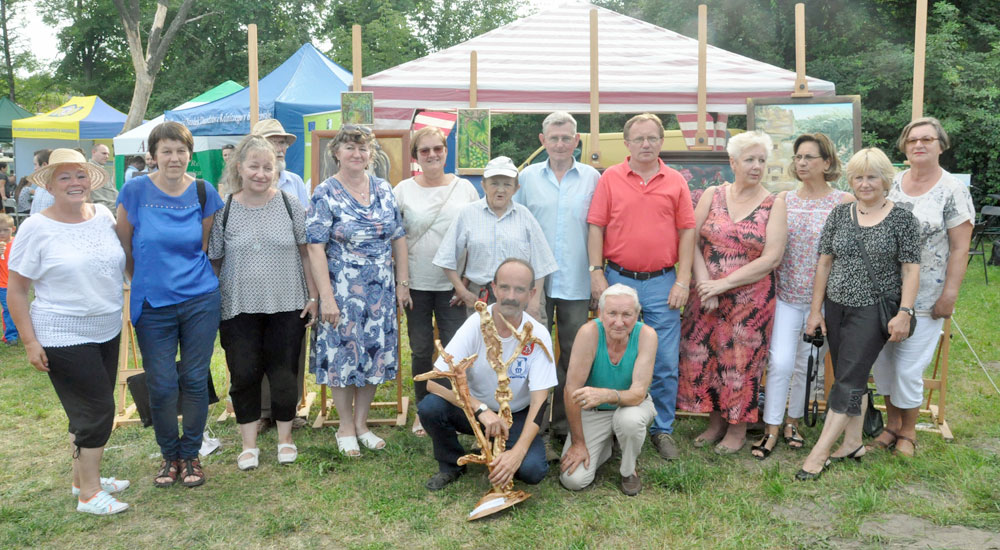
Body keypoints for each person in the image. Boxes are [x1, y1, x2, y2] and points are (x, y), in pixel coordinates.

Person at [6, 149, 130, 514]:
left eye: (80, 176)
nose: (75, 183)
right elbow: (16, 289)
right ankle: (90, 495)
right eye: (65, 177)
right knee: (98, 410)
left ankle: (82, 480)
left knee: (86, 411)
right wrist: (29, 341)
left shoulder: (104, 215)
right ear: (51, 184)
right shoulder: (36, 227)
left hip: (107, 329)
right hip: (62, 333)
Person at [796, 148, 921, 480]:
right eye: (858, 177)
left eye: (872, 176)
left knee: (848, 381)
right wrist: (815, 311)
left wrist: (905, 312)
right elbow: (824, 262)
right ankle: (853, 442)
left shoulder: (903, 218)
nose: (865, 184)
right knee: (848, 376)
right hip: (836, 307)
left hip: (873, 310)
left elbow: (911, 270)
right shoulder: (839, 214)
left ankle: (817, 454)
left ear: (885, 180)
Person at [116, 121, 224, 488]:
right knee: (161, 383)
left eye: (181, 150)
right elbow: (125, 247)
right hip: (153, 304)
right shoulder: (134, 191)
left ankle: (190, 455)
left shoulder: (203, 191)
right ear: (153, 155)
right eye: (167, 151)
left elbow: (204, 247)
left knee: (194, 378)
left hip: (200, 300)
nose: (174, 158)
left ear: (189, 154)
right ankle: (169, 456)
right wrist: (145, 278)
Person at [863, 118, 975, 458]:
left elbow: (959, 247)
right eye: (912, 140)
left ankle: (909, 432)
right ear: (904, 146)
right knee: (883, 364)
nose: (919, 145)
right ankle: (891, 426)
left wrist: (950, 294)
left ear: (941, 145)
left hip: (927, 296)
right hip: (883, 294)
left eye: (927, 139)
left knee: (908, 368)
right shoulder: (892, 184)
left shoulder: (952, 189)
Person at [587, 113, 695, 460]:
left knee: (663, 360)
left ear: (662, 142)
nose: (646, 144)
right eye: (639, 139)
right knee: (614, 356)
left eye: (652, 138)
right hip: (618, 280)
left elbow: (687, 231)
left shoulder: (676, 181)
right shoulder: (610, 179)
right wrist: (596, 273)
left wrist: (683, 279)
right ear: (627, 144)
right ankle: (614, 426)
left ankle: (662, 429)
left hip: (662, 281)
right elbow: (596, 227)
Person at [208, 135, 318, 470]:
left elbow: (306, 254)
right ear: (239, 168)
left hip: (288, 303)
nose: (261, 173)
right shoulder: (224, 210)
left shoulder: (289, 205)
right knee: (243, 374)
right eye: (254, 166)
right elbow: (214, 259)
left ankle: (285, 439)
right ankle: (248, 445)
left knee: (284, 372)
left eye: (268, 166)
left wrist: (313, 296)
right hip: (237, 307)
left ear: (276, 169)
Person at [677, 131, 787, 454]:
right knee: (707, 358)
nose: (756, 166)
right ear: (732, 162)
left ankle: (737, 430)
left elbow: (772, 258)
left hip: (749, 301)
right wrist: (703, 285)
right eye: (749, 159)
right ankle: (715, 423)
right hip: (706, 296)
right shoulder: (713, 194)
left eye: (762, 160)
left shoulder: (774, 203)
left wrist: (723, 284)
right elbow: (692, 240)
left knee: (741, 364)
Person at [305, 124, 408, 457]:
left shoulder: (384, 188)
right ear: (336, 152)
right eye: (349, 147)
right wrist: (326, 298)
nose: (356, 153)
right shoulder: (324, 192)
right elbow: (315, 247)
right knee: (342, 357)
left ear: (371, 154)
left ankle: (363, 424)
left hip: (380, 290)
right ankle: (345, 426)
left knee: (375, 356)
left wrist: (402, 284)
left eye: (363, 148)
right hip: (342, 291)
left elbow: (399, 236)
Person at [754, 133, 853, 459]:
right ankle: (770, 427)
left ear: (827, 162)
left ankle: (792, 422)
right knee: (780, 361)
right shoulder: (783, 199)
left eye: (810, 157)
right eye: (798, 157)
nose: (802, 163)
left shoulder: (842, 203)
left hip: (824, 301)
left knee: (805, 365)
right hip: (785, 294)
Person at [417, 259, 556, 490]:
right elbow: (434, 381)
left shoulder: (537, 334)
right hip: (473, 411)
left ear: (531, 293)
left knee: (532, 471)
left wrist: (518, 453)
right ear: (494, 287)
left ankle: (504, 452)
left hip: (515, 415)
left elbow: (540, 403)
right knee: (430, 407)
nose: (511, 295)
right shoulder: (476, 324)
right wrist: (480, 409)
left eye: (519, 289)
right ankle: (451, 464)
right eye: (504, 287)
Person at [514, 111, 600, 444]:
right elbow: (516, 226)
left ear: (577, 140)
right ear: (543, 141)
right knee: (533, 352)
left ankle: (564, 425)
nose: (561, 144)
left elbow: (599, 229)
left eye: (567, 138)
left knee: (573, 355)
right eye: (554, 138)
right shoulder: (528, 178)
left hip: (577, 281)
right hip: (534, 285)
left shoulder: (593, 178)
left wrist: (596, 275)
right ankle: (532, 424)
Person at [393, 126, 479, 436]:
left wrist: (466, 283)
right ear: (415, 156)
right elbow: (395, 238)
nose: (431, 155)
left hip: (453, 288)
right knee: (420, 350)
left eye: (437, 149)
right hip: (415, 283)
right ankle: (423, 410)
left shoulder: (465, 189)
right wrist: (401, 283)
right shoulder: (402, 190)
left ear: (445, 151)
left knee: (454, 352)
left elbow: (475, 237)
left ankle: (453, 409)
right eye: (424, 150)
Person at [433, 156, 557, 325]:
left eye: (507, 184)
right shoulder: (467, 214)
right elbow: (445, 258)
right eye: (494, 183)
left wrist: (534, 303)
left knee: (524, 347)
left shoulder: (525, 216)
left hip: (521, 296)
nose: (501, 190)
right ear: (483, 185)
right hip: (482, 295)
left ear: (516, 188)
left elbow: (542, 263)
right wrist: (462, 291)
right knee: (485, 347)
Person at [559, 284, 656, 495]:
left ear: (637, 315)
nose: (619, 322)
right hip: (594, 411)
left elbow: (639, 392)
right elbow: (571, 390)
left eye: (627, 314)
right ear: (600, 313)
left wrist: (606, 395)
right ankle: (607, 444)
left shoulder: (647, 335)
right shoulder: (589, 333)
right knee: (573, 480)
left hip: (632, 406)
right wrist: (578, 443)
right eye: (612, 313)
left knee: (629, 422)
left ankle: (628, 470)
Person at [249, 120, 311, 432]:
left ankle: (290, 407)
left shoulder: (295, 182)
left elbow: (306, 231)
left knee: (291, 346)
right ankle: (262, 411)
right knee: (258, 345)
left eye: (284, 142)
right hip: (255, 278)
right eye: (274, 141)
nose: (281, 147)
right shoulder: (240, 182)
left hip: (291, 277)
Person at [252, 119, 309, 207]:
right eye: (272, 143)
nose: (279, 149)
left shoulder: (295, 181)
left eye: (282, 143)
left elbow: (304, 217)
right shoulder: (247, 182)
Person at [0, 214, 17, 345]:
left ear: (13, 229)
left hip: (17, 283)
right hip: (3, 284)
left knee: (19, 308)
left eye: (5, 230)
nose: (2, 233)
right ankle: (10, 336)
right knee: (9, 309)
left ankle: (18, 331)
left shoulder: (17, 243)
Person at [89, 144, 117, 214]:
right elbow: (96, 199)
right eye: (104, 153)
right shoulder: (90, 171)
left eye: (108, 154)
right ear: (93, 152)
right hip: (106, 211)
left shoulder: (101, 170)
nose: (107, 156)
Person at [29, 149, 55, 215]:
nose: (34, 168)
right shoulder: (39, 188)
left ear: (44, 165)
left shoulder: (59, 189)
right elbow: (33, 213)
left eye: (35, 164)